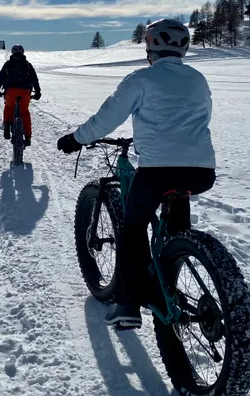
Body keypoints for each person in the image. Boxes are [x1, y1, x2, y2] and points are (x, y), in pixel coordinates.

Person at [57, 19, 216, 330]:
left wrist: (76, 138)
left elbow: (107, 118)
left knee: (132, 227)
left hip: (157, 171)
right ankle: (171, 270)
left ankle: (129, 303)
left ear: (150, 48)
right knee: (174, 227)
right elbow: (201, 116)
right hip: (201, 171)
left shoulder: (141, 79)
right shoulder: (198, 80)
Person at [0, 44, 41, 147]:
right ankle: (28, 137)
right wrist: (37, 92)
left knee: (9, 107)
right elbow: (34, 79)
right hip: (25, 92)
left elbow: (1, 77)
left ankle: (7, 127)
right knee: (24, 112)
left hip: (11, 91)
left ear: (12, 52)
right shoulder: (28, 65)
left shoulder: (8, 64)